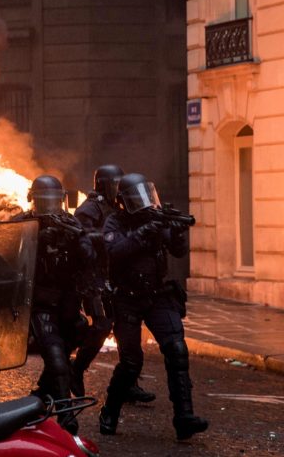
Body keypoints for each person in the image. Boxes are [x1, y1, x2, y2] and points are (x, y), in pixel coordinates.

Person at [99, 173, 208, 440]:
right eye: (136, 198)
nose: (144, 203)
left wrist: (177, 233)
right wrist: (141, 233)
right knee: (131, 361)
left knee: (177, 349)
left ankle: (184, 417)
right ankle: (110, 411)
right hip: (127, 298)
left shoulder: (155, 218)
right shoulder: (115, 221)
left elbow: (178, 251)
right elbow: (113, 253)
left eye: (146, 196)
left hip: (158, 295)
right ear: (124, 202)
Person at [13, 175, 95, 434]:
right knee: (57, 360)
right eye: (43, 201)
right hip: (40, 304)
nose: (49, 207)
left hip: (69, 305)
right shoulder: (22, 223)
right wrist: (35, 240)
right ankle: (67, 420)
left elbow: (91, 259)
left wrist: (76, 240)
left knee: (76, 338)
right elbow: (5, 257)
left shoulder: (71, 223)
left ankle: (40, 396)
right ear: (33, 200)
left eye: (53, 201)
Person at [71, 164, 155, 403]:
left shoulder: (119, 207)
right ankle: (76, 369)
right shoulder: (89, 208)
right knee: (102, 325)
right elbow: (81, 239)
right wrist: (109, 237)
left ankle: (129, 383)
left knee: (125, 329)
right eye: (113, 185)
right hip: (94, 276)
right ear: (101, 185)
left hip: (116, 274)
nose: (117, 189)